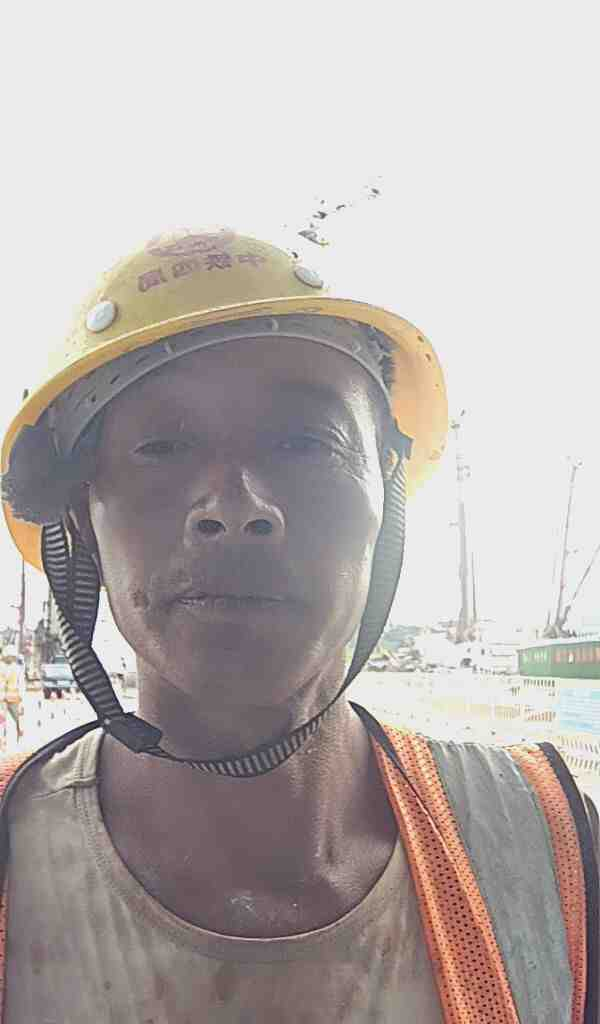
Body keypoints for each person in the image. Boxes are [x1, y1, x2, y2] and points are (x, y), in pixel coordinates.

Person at [0, 229, 596, 1022]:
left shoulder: (550, 839)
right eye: (162, 447)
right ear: (80, 520)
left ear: (385, 496)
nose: (234, 508)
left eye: (305, 443)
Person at [0, 646, 24, 742]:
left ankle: (19, 736)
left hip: (13, 698)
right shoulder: (3, 667)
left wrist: (21, 696)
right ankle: (3, 739)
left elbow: (21, 683)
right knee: (2, 720)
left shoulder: (17, 668)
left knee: (19, 720)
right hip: (4, 699)